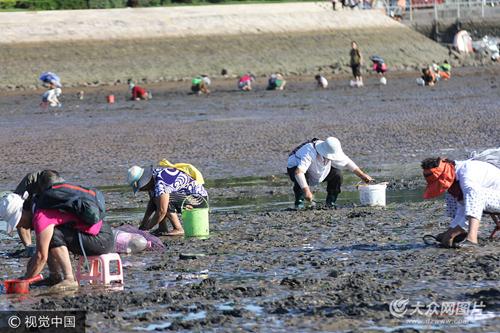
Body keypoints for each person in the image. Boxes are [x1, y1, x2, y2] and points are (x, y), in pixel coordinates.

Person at [0, 190, 114, 290]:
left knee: (53, 235)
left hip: (101, 238)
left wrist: (24, 281)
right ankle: (55, 276)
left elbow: (41, 257)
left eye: (18, 221)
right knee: (45, 238)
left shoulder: (41, 216)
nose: (21, 226)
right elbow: (39, 253)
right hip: (99, 233)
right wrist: (27, 275)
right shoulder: (39, 206)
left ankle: (70, 279)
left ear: (22, 213)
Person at [421, 154, 500, 248]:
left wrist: (453, 233)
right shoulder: (455, 175)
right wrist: (451, 230)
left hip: (492, 197)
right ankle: (461, 232)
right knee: (450, 194)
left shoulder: (467, 176)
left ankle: (472, 239)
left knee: (474, 193)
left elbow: (472, 204)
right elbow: (462, 208)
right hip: (490, 197)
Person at [287, 137, 374, 209]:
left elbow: (347, 162)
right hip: (296, 169)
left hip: (320, 169)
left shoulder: (332, 148)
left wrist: (362, 175)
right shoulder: (309, 150)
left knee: (337, 175)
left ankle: (330, 202)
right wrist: (307, 191)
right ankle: (299, 203)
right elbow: (299, 172)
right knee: (301, 178)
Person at [127, 164, 208, 236]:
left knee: (164, 202)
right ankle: (162, 228)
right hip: (184, 198)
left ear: (145, 181)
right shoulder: (153, 180)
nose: (141, 190)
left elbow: (162, 211)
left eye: (141, 187)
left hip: (197, 200)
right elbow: (152, 204)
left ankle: (178, 228)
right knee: (158, 200)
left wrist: (146, 229)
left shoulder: (161, 181)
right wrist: (143, 225)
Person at [13, 170, 64, 255]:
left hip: (50, 188)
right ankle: (29, 248)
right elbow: (17, 212)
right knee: (19, 216)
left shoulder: (59, 189)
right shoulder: (30, 182)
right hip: (32, 188)